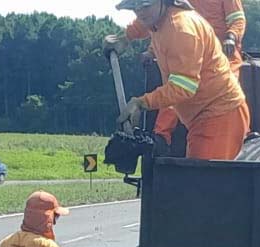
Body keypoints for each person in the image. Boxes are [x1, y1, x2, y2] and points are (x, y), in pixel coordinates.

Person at [104, 0, 250, 160]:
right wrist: (124, 38)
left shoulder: (181, 29)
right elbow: (144, 20)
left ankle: (161, 136)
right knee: (197, 182)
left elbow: (183, 87)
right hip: (205, 117)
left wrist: (141, 103)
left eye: (145, 5)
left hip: (220, 115)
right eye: (135, 7)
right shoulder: (158, 19)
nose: (140, 12)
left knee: (202, 182)